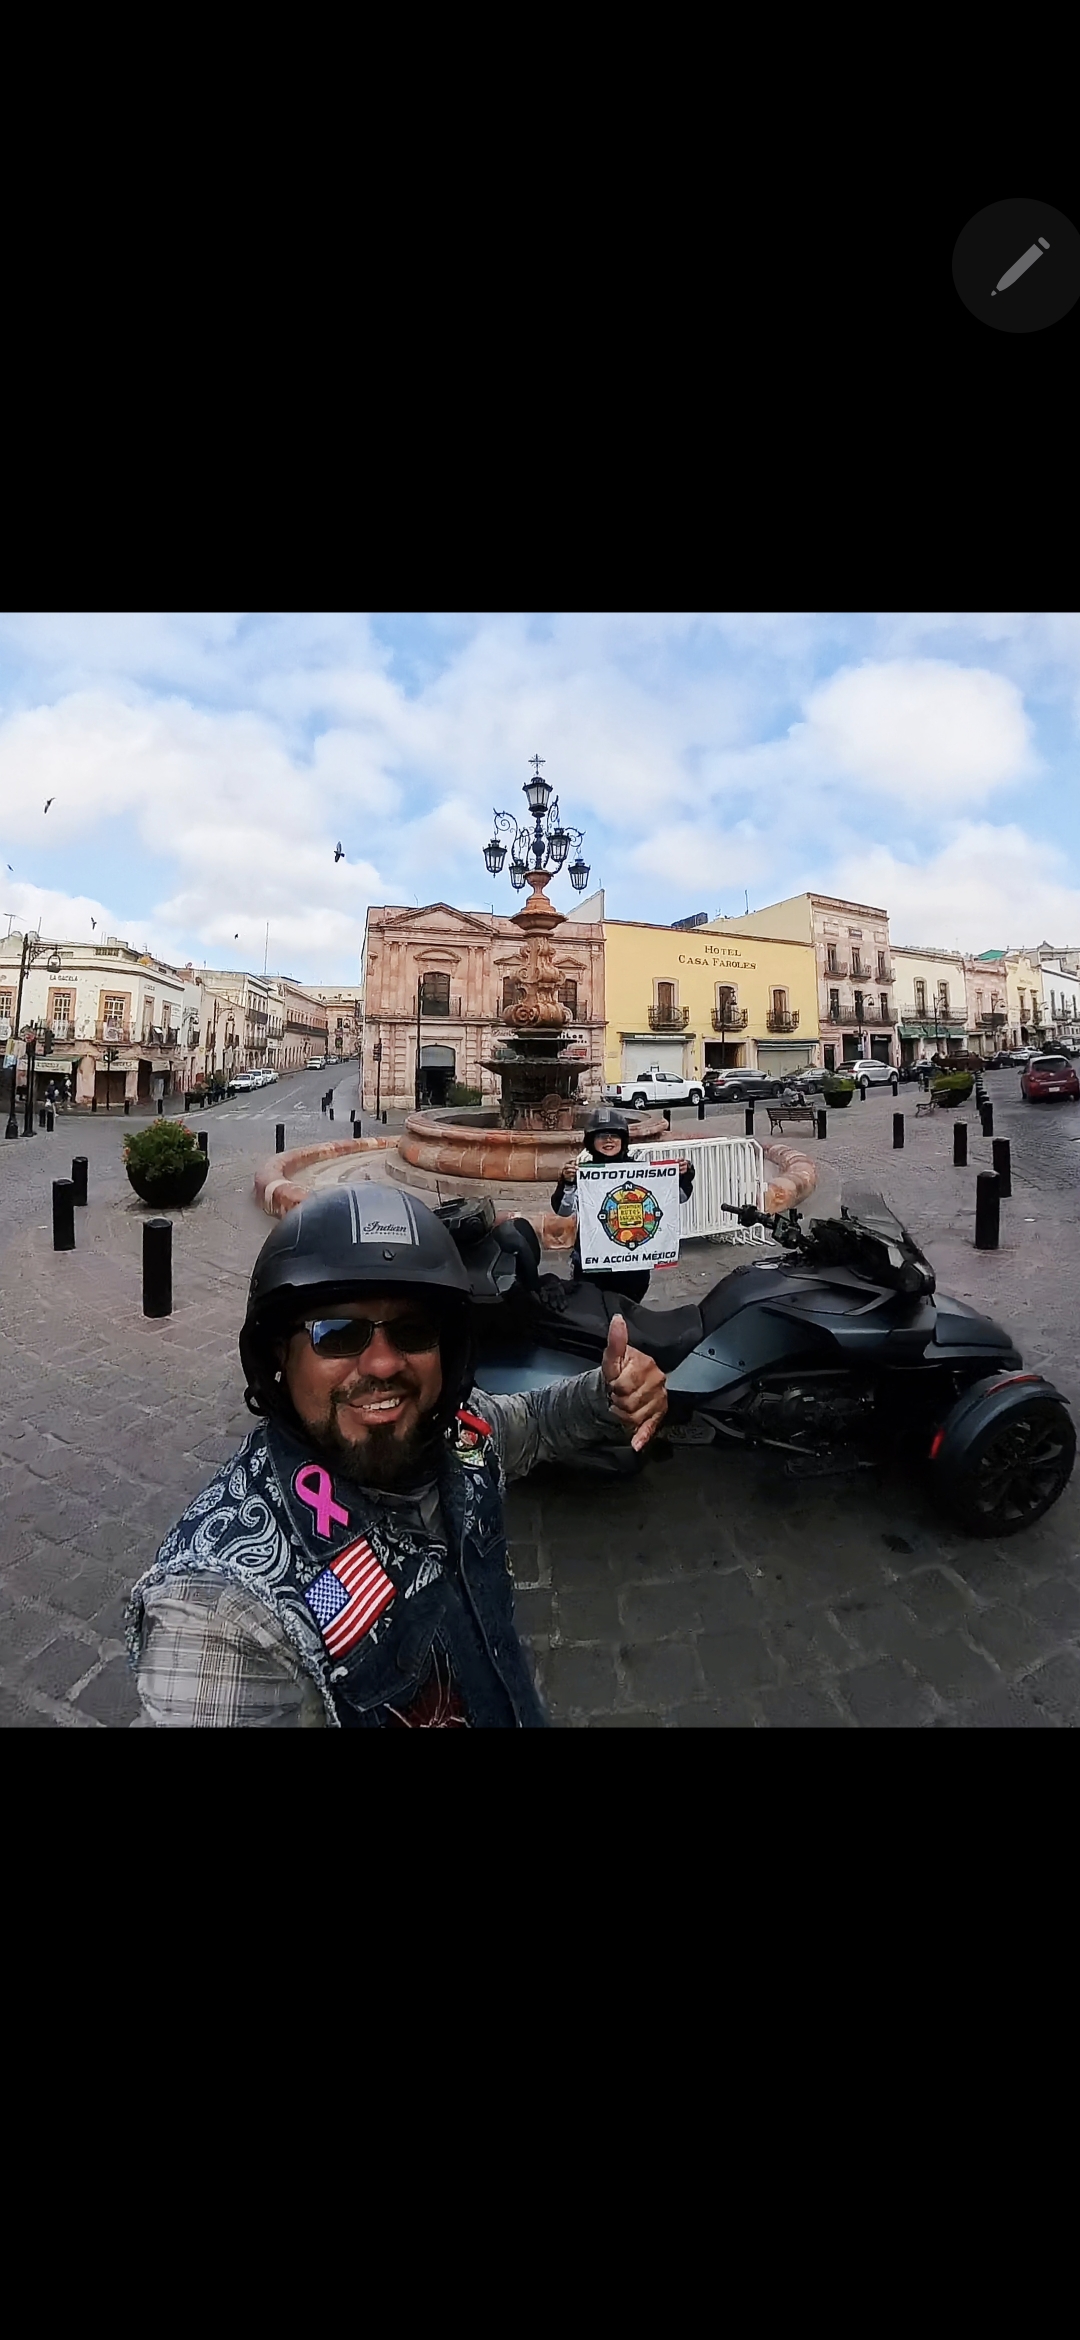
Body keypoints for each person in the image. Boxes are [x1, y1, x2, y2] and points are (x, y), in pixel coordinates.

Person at [126, 1185, 667, 1728]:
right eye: (337, 1333)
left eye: (412, 1330)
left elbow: (537, 1422)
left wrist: (607, 1394)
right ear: (277, 1358)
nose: (383, 1364)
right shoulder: (223, 1610)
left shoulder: (461, 1435)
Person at [549, 1104, 696, 1306]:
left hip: (632, 1265)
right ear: (591, 1142)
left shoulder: (642, 1172)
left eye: (614, 1135)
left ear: (623, 1140)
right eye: (601, 1136)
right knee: (593, 1314)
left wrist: (685, 1175)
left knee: (628, 1312)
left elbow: (678, 1196)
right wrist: (567, 1183)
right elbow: (563, 1210)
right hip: (592, 1265)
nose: (608, 1140)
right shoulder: (582, 1174)